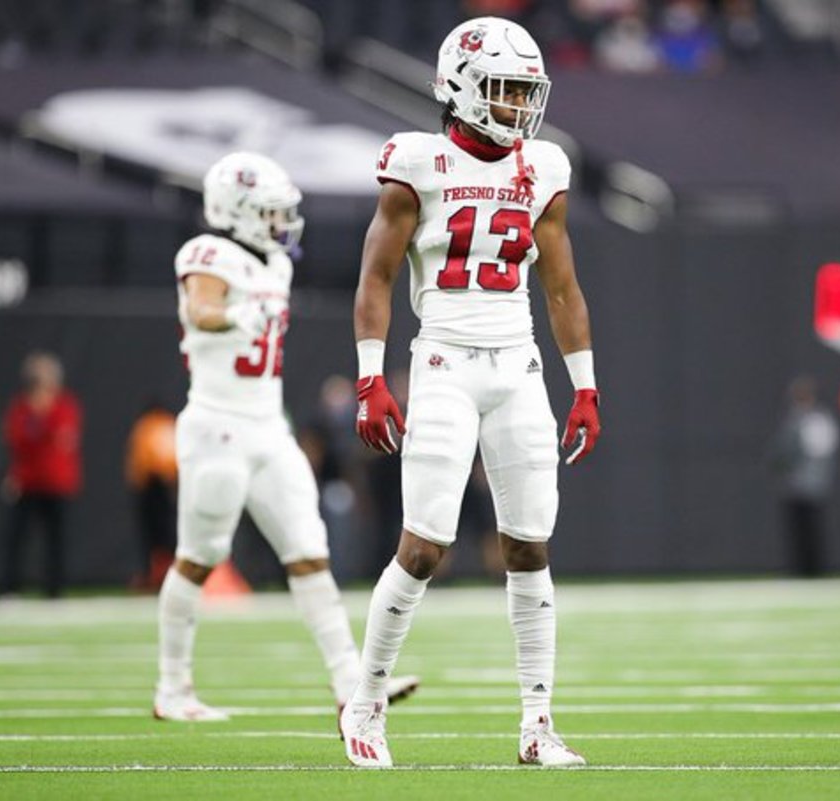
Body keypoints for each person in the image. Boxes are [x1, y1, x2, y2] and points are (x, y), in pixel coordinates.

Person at [341, 16, 601, 768]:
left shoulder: (544, 168)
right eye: (505, 89)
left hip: (517, 363)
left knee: (530, 544)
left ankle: (537, 723)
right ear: (459, 87)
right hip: (446, 361)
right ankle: (365, 706)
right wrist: (369, 377)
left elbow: (562, 288)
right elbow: (378, 278)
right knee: (424, 545)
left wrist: (584, 385)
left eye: (526, 91)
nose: (520, 106)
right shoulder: (416, 163)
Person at [155, 152, 418, 723]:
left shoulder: (276, 264)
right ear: (238, 211)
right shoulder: (208, 253)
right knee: (199, 559)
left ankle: (351, 682)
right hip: (217, 425)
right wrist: (231, 317)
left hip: (269, 427)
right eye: (271, 213)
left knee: (309, 551)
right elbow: (202, 310)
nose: (281, 223)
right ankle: (172, 688)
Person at [0, 352, 82, 599]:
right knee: (17, 537)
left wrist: (41, 429)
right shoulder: (21, 406)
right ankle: (10, 588)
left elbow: (64, 439)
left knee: (55, 539)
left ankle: (54, 589)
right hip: (26, 481)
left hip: (56, 482)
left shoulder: (65, 405)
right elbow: (17, 440)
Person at [769, 376, 839, 577]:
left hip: (805, 484)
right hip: (804, 483)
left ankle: (811, 569)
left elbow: (789, 451)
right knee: (802, 530)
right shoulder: (810, 419)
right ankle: (805, 568)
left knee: (808, 530)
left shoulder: (811, 420)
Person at [125, 399, 178, 592]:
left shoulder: (146, 426)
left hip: (151, 489)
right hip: (166, 488)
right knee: (166, 537)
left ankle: (157, 576)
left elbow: (138, 467)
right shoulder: (167, 424)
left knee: (155, 538)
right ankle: (163, 576)